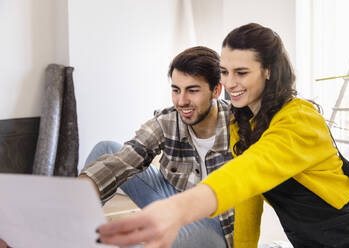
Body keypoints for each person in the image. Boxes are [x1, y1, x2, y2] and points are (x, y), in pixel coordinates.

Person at [96, 23, 349, 248]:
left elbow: (248, 171)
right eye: (225, 72)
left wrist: (177, 210)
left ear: (269, 71)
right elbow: (247, 201)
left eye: (241, 73)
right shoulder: (242, 125)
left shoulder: (300, 118)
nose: (229, 83)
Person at [80, 46, 234, 248]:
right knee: (107, 149)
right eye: (176, 90)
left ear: (216, 90)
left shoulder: (237, 125)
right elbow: (126, 158)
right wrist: (74, 200)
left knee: (164, 240)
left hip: (216, 225)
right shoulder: (168, 120)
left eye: (192, 90)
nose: (182, 101)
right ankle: (78, 230)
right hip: (173, 199)